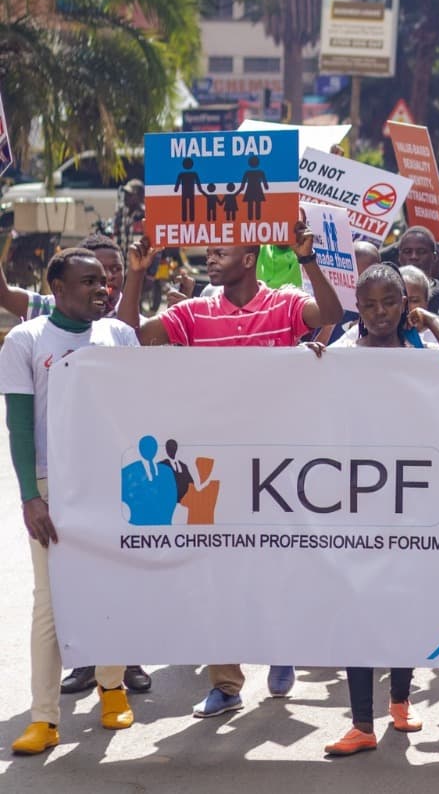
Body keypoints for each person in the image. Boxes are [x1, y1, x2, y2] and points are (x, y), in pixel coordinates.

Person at [120, 224, 342, 716]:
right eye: (210, 250)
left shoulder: (284, 304)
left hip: (277, 465)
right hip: (214, 468)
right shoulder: (194, 313)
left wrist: (308, 260)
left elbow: (330, 315)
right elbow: (133, 336)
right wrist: (136, 276)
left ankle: (283, 649)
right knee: (218, 572)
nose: (210, 258)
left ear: (250, 257)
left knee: (279, 562)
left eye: (221, 251)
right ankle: (226, 682)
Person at [2, 248, 140, 755]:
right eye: (88, 282)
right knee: (50, 603)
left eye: (104, 282)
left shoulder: (119, 335)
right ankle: (44, 718)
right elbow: (18, 424)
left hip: (110, 481)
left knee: (112, 587)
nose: (101, 290)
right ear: (56, 288)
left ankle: (112, 687)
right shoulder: (26, 339)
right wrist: (30, 497)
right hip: (52, 484)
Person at [312, 265, 433, 757]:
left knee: (404, 606)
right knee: (356, 610)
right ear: (356, 309)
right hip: (354, 504)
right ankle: (361, 722)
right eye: (369, 304)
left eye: (390, 302)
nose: (380, 312)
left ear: (406, 301)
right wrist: (310, 359)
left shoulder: (422, 355)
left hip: (413, 502)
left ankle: (400, 700)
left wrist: (429, 323)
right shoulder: (338, 355)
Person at [395, 226, 439, 325]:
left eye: (421, 252)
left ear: (434, 257)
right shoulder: (387, 292)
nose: (414, 256)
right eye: (407, 251)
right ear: (399, 257)